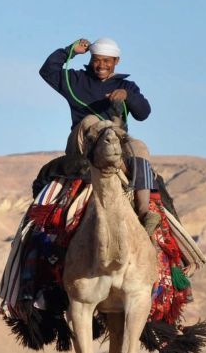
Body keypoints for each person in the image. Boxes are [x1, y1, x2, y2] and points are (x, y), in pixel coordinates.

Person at [40, 37, 157, 229]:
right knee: (91, 121)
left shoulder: (127, 86)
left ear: (116, 62)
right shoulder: (76, 80)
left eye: (106, 61)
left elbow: (143, 113)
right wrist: (70, 50)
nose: (101, 65)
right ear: (91, 59)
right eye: (96, 60)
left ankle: (144, 212)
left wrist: (129, 97)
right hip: (83, 141)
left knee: (139, 147)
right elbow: (47, 71)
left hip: (115, 142)